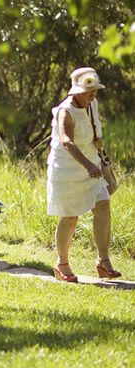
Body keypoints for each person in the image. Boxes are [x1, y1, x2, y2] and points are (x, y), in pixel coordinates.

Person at [47, 67, 121, 282]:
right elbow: (67, 142)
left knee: (103, 206)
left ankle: (103, 261)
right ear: (76, 90)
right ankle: (61, 264)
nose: (93, 94)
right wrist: (89, 165)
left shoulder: (92, 105)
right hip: (68, 170)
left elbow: (91, 132)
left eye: (95, 90)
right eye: (89, 90)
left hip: (92, 167)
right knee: (70, 217)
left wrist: (97, 142)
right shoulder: (65, 111)